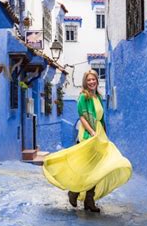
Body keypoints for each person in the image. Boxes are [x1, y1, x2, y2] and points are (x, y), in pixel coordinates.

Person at [42, 70, 132, 213]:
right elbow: (82, 117)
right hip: (87, 137)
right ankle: (74, 192)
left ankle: (89, 199)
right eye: (89, 80)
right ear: (85, 82)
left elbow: (100, 119)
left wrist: (103, 136)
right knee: (84, 167)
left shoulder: (98, 97)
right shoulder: (84, 97)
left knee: (95, 168)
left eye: (93, 79)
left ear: (97, 81)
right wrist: (91, 132)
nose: (91, 82)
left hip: (99, 138)